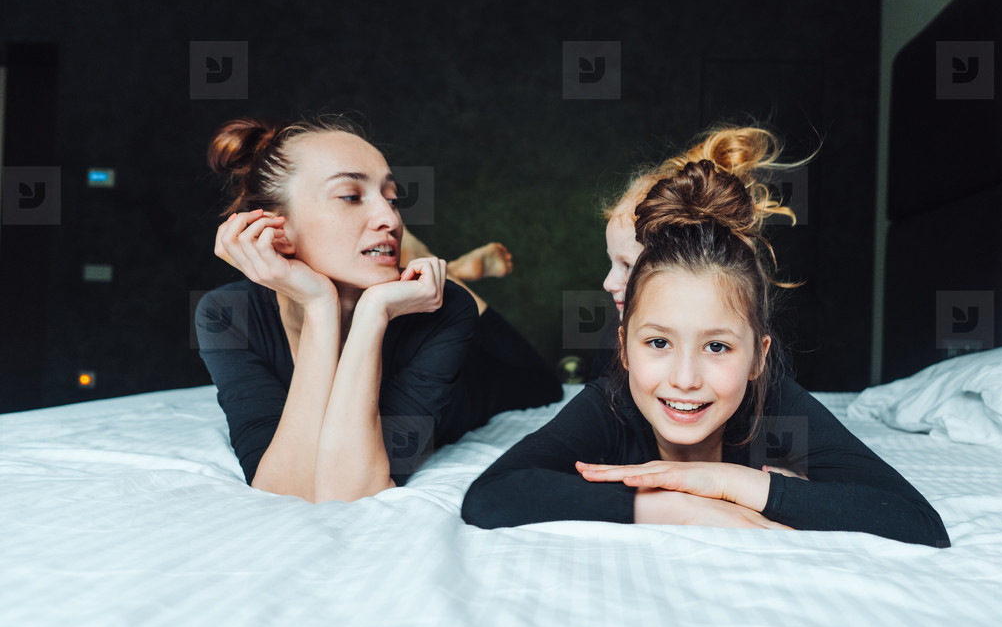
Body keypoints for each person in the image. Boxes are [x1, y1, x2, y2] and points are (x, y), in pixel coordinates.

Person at [462, 160, 950, 547]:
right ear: (624, 348)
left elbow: (917, 522)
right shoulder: (613, 400)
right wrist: (676, 506)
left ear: (760, 356)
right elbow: (492, 495)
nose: (685, 378)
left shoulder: (772, 398)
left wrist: (727, 482)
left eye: (716, 346)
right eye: (658, 343)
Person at [195, 115, 559, 503]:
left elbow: (352, 488)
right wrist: (320, 305)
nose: (391, 219)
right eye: (351, 196)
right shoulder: (226, 313)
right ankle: (435, 262)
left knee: (541, 383)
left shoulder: (445, 309)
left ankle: (445, 271)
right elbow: (285, 490)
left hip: (487, 362)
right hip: (390, 291)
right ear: (273, 227)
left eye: (393, 199)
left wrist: (374, 311)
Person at [591, 125, 806, 379]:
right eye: (658, 343)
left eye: (627, 266)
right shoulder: (613, 341)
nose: (608, 283)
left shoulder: (759, 352)